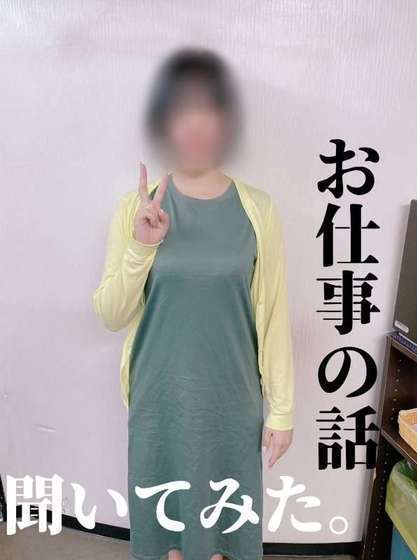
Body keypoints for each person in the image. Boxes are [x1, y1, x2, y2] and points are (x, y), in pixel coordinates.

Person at [93, 47, 295, 560]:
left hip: (232, 403)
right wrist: (142, 245)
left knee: (222, 540)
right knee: (168, 539)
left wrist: (282, 410)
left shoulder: (258, 209)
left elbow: (273, 317)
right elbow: (110, 313)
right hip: (159, 402)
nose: (197, 123)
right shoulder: (134, 209)